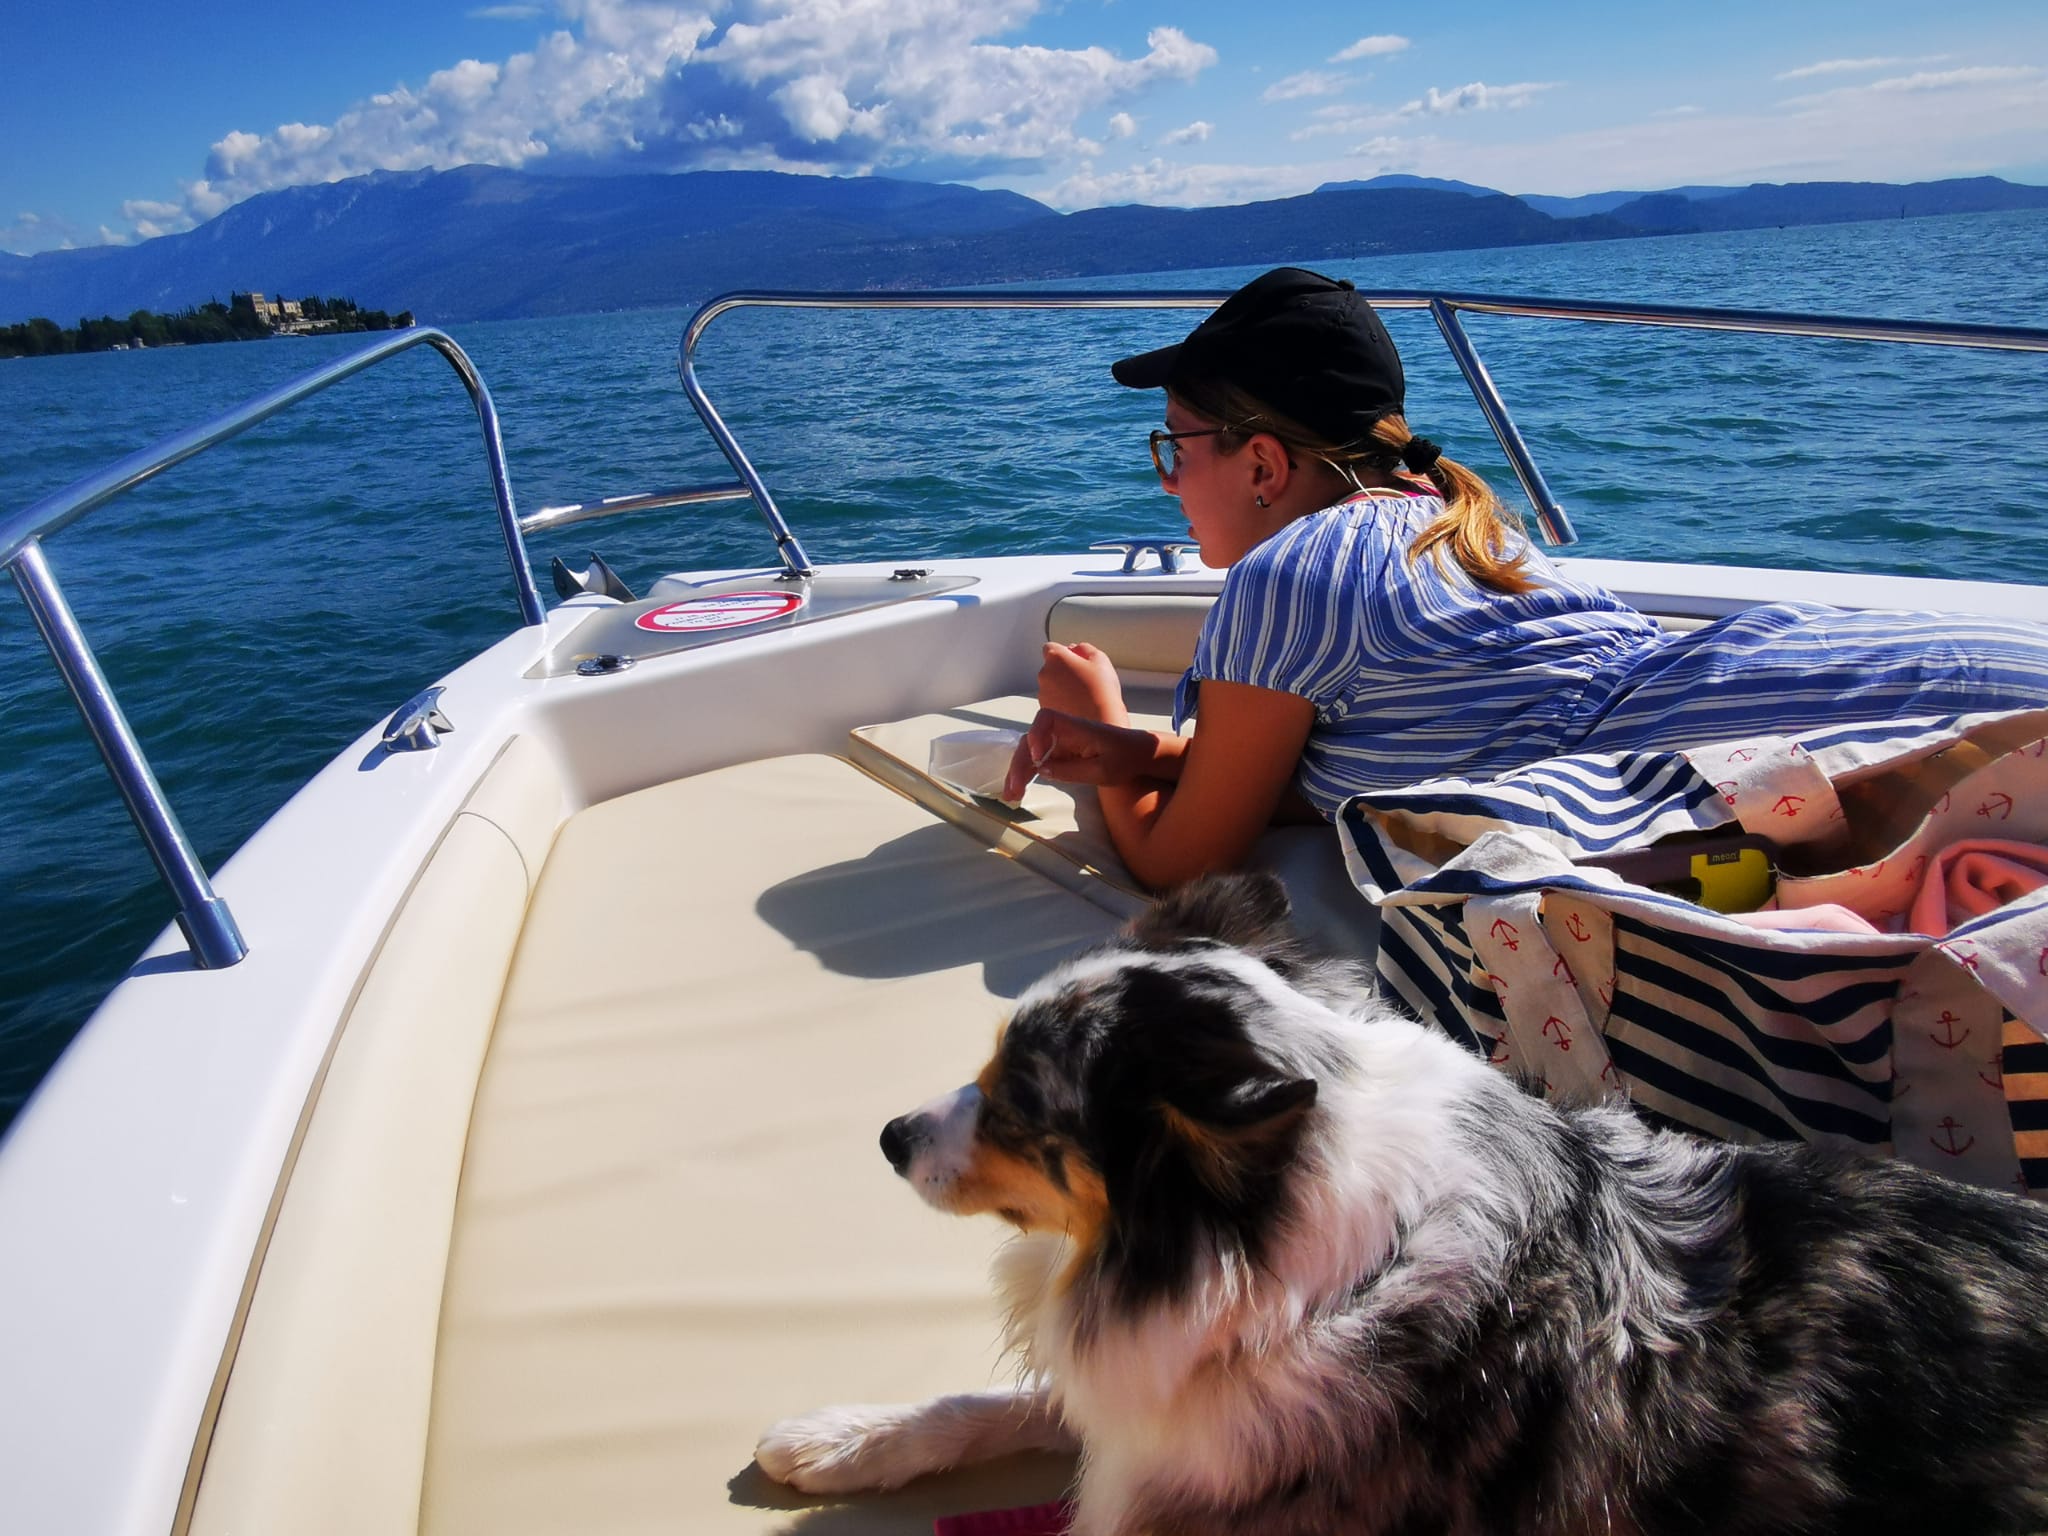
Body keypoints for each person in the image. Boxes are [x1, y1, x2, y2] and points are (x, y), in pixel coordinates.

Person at [1002, 266, 2048, 892]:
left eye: (1174, 448)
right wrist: (1150, 745)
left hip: (1819, 746)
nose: (1168, 480)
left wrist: (1088, 706)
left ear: (1264, 466)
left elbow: (1185, 865)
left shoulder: (1290, 575)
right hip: (1842, 679)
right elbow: (1352, 742)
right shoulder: (1454, 530)